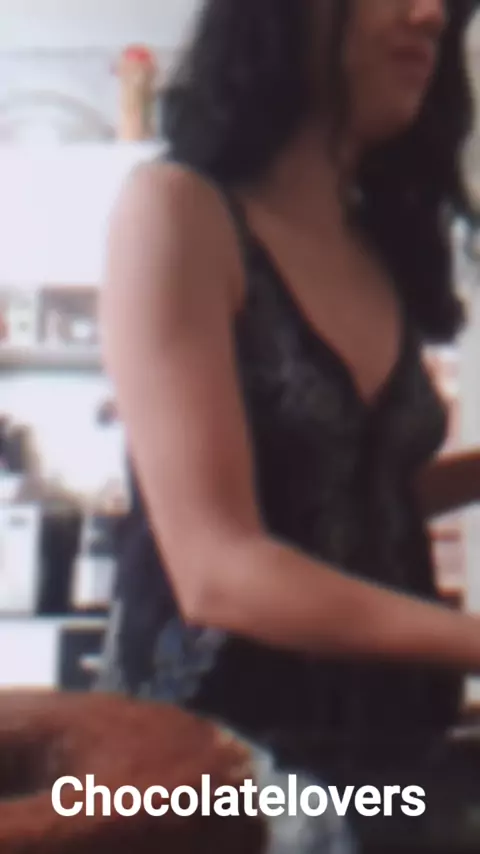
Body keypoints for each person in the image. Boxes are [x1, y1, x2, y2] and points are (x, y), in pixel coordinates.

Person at [97, 0, 480, 849]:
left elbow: (349, 496)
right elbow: (218, 567)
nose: (432, 14)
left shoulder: (371, 248)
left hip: (386, 765)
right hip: (219, 783)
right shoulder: (177, 210)